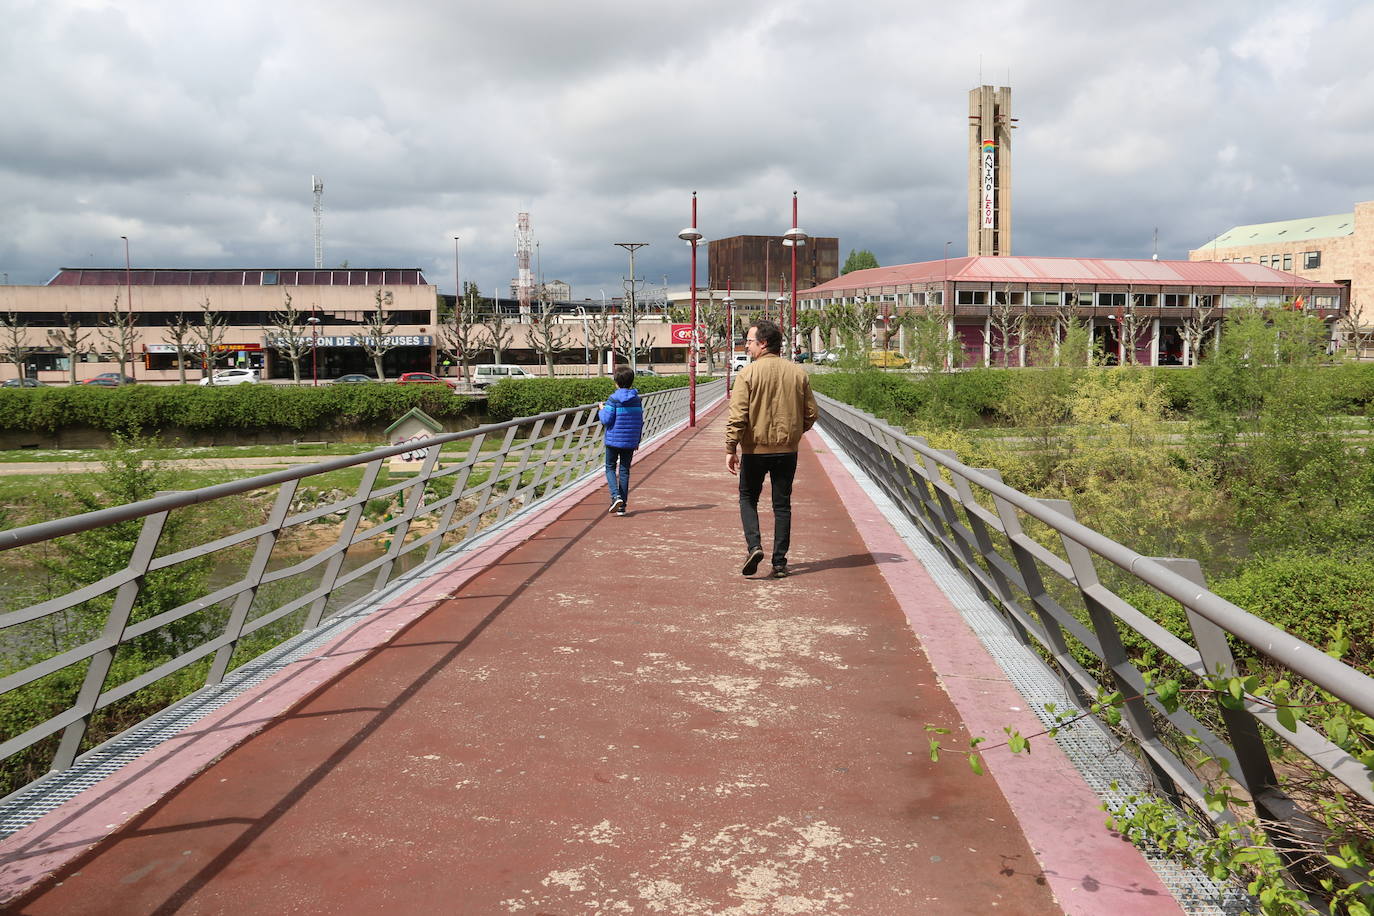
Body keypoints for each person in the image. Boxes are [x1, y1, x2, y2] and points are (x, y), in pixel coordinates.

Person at [725, 319, 819, 578]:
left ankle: (754, 546)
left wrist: (731, 447)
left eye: (750, 342)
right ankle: (779, 562)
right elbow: (811, 413)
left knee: (747, 497)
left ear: (763, 343)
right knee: (782, 505)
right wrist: (794, 433)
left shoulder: (747, 374)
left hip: (755, 450)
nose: (747, 347)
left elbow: (738, 415)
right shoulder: (798, 373)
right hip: (787, 451)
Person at [599, 365, 644, 516]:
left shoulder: (613, 399)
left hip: (613, 440)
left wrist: (601, 409)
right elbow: (640, 421)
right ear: (631, 382)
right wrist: (637, 439)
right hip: (630, 441)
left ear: (616, 382)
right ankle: (622, 506)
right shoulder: (637, 400)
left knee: (610, 467)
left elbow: (606, 420)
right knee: (624, 471)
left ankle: (615, 496)